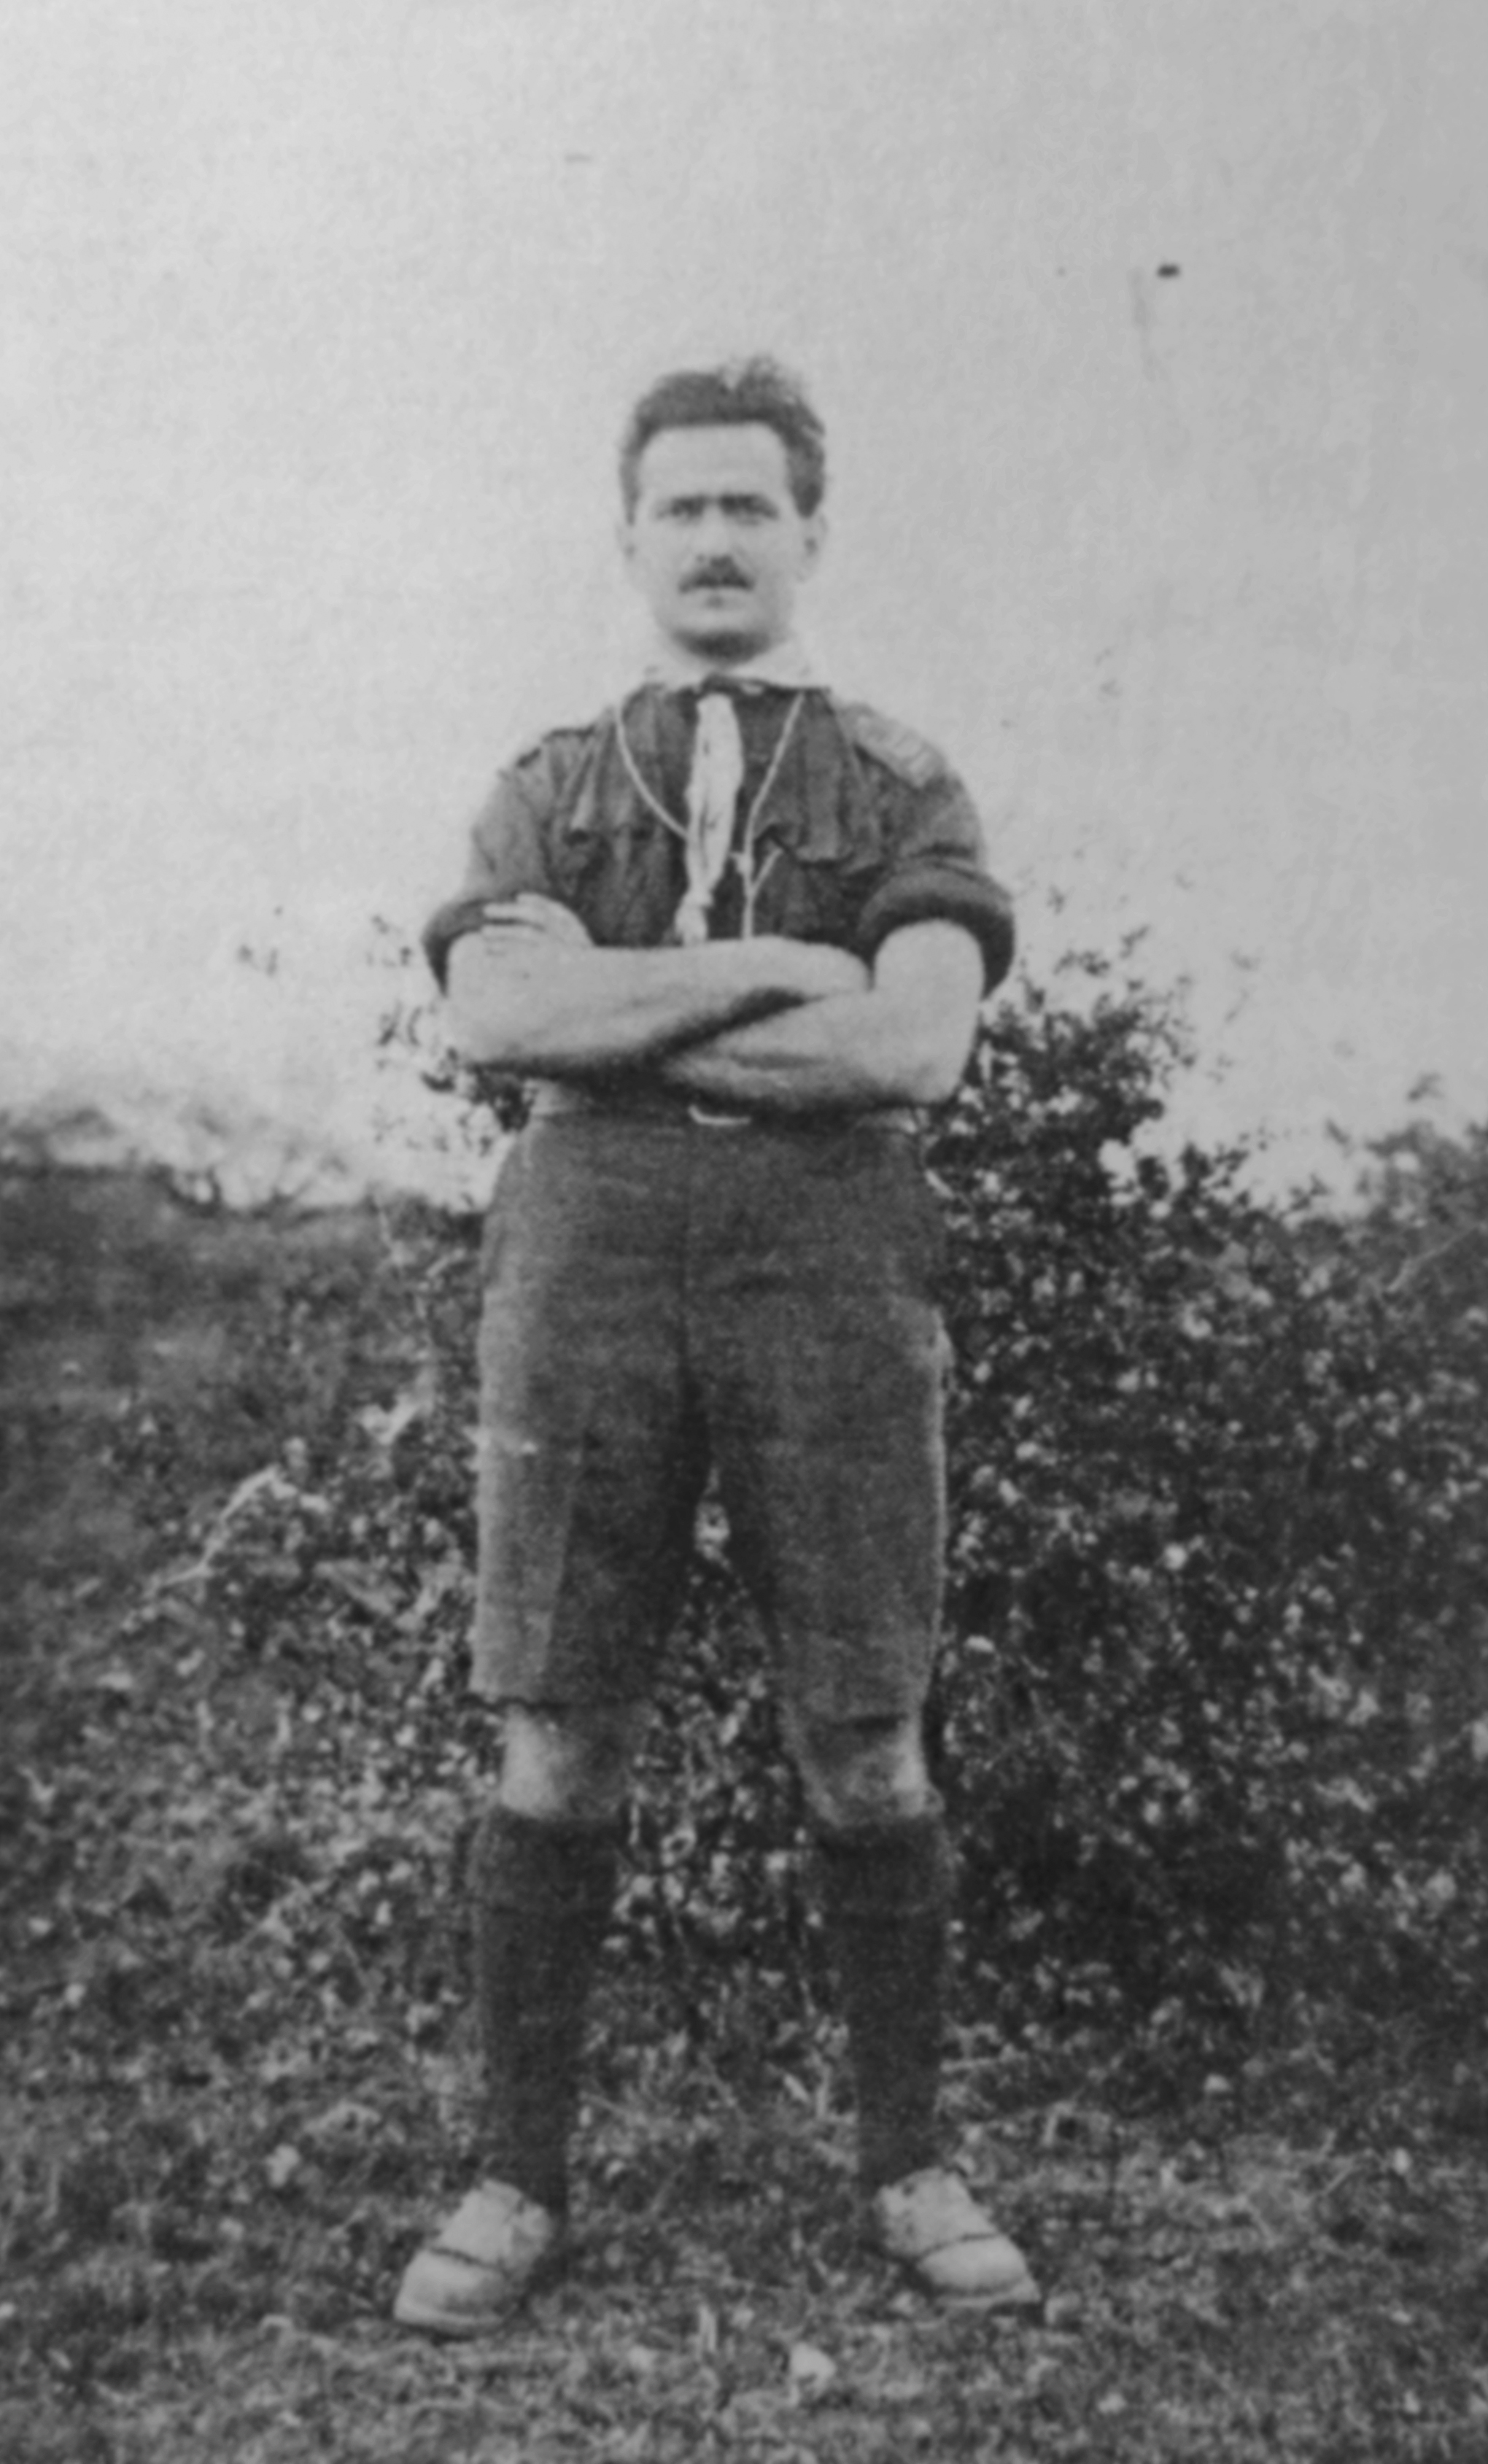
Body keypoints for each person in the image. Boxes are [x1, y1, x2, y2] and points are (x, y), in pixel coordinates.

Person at [393, 357, 1037, 2336]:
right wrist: (768, 967)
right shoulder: (550, 780)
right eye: (680, 507)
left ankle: (910, 2162)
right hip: (586, 1255)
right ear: (629, 539)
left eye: (751, 505)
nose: (716, 540)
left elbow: (910, 1043)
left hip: (828, 1261)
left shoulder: (902, 781)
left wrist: (623, 1009)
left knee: (865, 1722)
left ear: (810, 533)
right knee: (559, 1714)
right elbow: (498, 1019)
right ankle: (515, 2178)